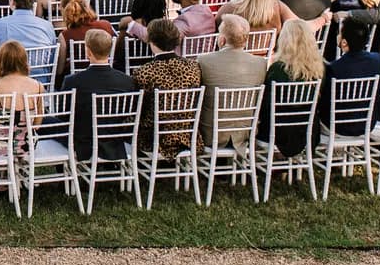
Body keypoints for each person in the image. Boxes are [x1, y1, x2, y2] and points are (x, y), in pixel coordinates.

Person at [131, 17, 202, 157]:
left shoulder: (145, 71)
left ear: (151, 41)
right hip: (187, 135)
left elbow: (139, 109)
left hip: (153, 139)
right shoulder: (193, 67)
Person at [62, 28, 135, 160]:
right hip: (115, 140)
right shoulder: (127, 81)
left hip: (84, 141)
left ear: (88, 52)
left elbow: (65, 115)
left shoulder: (72, 81)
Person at [196, 14, 268, 144]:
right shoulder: (260, 63)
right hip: (246, 132)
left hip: (210, 132)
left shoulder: (204, 60)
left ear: (222, 40)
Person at [258, 17, 324, 160]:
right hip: (306, 131)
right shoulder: (318, 71)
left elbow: (265, 104)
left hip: (275, 131)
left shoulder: (277, 69)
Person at [318, 17, 380, 132]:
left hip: (338, 127)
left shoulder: (334, 68)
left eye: (339, 33)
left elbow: (325, 102)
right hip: (367, 125)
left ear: (344, 43)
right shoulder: (378, 60)